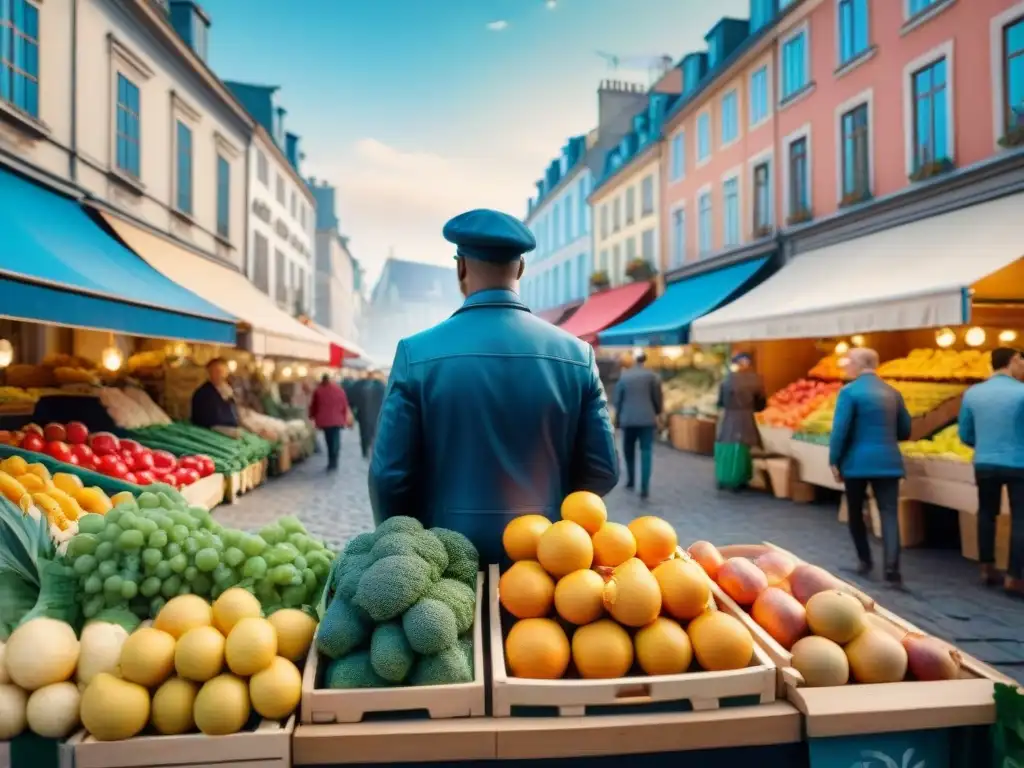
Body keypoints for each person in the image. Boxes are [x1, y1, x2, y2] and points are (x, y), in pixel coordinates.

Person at [369, 208, 619, 564]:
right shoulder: (577, 355)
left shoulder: (416, 353)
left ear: (461, 268)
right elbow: (602, 470)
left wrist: (403, 548)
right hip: (546, 560)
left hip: (445, 559)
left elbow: (389, 475)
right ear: (520, 269)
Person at [829, 348, 911, 586]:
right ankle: (892, 567)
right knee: (889, 513)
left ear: (857, 364)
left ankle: (865, 560)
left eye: (848, 362)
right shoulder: (893, 393)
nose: (846, 366)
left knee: (856, 511)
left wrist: (834, 460)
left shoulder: (849, 392)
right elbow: (905, 430)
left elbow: (840, 431)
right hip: (889, 462)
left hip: (856, 463)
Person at [958, 346, 1024, 595]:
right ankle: (1015, 577)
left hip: (984, 462)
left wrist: (986, 444)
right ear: (1013, 360)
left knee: (986, 512)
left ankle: (986, 567)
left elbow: (965, 434)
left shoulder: (973, 393)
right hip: (1020, 463)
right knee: (1021, 518)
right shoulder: (1022, 393)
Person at [614, 350, 663, 499]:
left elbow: (618, 400)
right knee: (646, 451)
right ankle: (644, 486)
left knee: (628, 450)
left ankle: (630, 480)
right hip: (647, 419)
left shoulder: (624, 376)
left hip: (628, 419)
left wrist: (618, 417)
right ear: (645, 360)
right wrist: (657, 411)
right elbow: (657, 398)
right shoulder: (652, 376)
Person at [714, 353, 766, 491]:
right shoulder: (756, 380)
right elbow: (761, 404)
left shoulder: (727, 381)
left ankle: (726, 477)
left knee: (728, 446)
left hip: (729, 417)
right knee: (744, 447)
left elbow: (721, 402)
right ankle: (741, 478)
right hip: (747, 417)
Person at [308, 373, 352, 471]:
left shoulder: (318, 391)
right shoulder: (339, 390)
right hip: (338, 420)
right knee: (336, 439)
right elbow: (344, 404)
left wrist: (311, 416)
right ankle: (335, 459)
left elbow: (314, 405)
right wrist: (344, 416)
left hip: (325, 421)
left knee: (329, 440)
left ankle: (331, 461)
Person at [191, 358, 242, 438]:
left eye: (222, 371)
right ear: (209, 373)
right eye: (216, 371)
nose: (219, 374)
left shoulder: (227, 388)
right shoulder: (203, 393)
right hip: (210, 428)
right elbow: (208, 418)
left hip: (228, 425)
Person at [356, 370, 386, 459]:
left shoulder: (363, 386)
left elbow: (357, 400)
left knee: (364, 435)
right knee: (376, 435)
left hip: (364, 415)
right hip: (378, 415)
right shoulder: (383, 387)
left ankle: (365, 451)